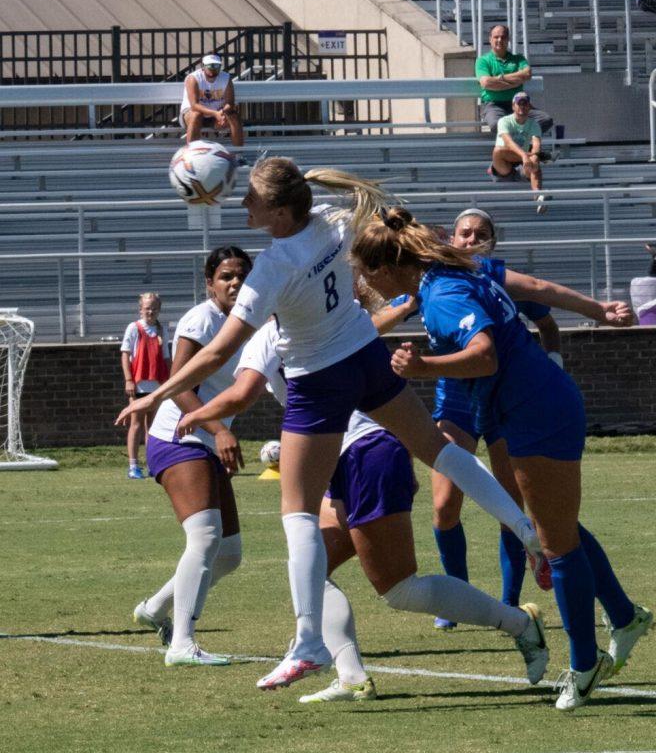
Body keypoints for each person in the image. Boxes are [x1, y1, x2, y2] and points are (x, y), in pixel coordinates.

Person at [117, 159, 546, 692]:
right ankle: (525, 529)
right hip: (363, 356)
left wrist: (153, 396)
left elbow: (220, 352)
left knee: (296, 514)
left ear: (277, 210)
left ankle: (308, 643)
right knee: (437, 450)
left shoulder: (274, 266)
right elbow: (241, 381)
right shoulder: (331, 220)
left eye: (249, 199)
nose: (241, 205)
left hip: (321, 383)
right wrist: (203, 413)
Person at [352, 207, 652, 711]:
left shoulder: (445, 293)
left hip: (534, 408)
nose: (364, 281)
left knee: (556, 544)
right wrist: (597, 310)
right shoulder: (457, 269)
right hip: (525, 405)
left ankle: (584, 664)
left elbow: (484, 353)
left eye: (365, 271)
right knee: (557, 530)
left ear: (386, 269)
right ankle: (622, 617)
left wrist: (423, 366)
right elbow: (536, 285)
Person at [177, 318, 550, 702]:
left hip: (366, 453)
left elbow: (243, 391)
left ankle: (520, 624)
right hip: (346, 457)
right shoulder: (328, 315)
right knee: (313, 570)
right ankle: (351, 674)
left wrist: (184, 408)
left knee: (400, 588)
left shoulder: (275, 331)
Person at [121, 247, 254, 666]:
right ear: (209, 283)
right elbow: (178, 384)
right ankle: (181, 644)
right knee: (206, 538)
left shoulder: (253, 319)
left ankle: (155, 609)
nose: (235, 283)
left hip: (209, 441)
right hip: (179, 439)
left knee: (229, 555)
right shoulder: (201, 319)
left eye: (241, 276)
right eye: (226, 276)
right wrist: (218, 431)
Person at [119, 292, 169, 480]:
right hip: (139, 384)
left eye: (154, 308)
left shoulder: (162, 330)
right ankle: (133, 465)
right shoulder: (134, 328)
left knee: (153, 427)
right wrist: (128, 379)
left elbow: (166, 357)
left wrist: (170, 380)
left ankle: (152, 463)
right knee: (136, 423)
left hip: (156, 385)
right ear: (140, 309)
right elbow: (125, 354)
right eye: (147, 308)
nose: (151, 311)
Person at [475, 24, 552, 135]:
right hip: (494, 104)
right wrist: (515, 82)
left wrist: (499, 80)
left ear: (508, 40)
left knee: (545, 119)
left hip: (519, 103)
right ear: (490, 39)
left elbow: (527, 73)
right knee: (496, 124)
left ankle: (519, 142)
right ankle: (522, 145)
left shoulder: (518, 59)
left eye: (503, 37)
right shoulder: (483, 61)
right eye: (496, 37)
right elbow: (486, 83)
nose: (500, 40)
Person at [491, 92, 547, 212]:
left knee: (535, 159)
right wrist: (524, 155)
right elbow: (508, 142)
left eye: (525, 103)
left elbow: (536, 143)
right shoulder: (504, 121)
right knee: (498, 151)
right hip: (504, 163)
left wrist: (535, 155)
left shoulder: (534, 124)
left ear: (529, 106)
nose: (522, 106)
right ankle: (538, 192)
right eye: (519, 103)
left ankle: (538, 196)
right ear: (513, 106)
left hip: (522, 163)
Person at [180, 54, 245, 147]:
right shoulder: (193, 78)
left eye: (216, 66)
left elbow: (230, 103)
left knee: (234, 116)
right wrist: (215, 113)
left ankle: (239, 155)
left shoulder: (225, 78)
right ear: (203, 66)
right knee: (196, 115)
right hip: (192, 114)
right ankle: (191, 154)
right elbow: (194, 105)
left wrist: (222, 112)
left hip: (217, 115)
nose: (213, 69)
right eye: (209, 66)